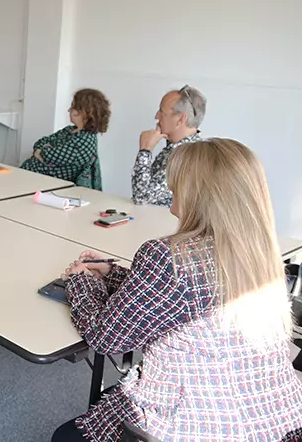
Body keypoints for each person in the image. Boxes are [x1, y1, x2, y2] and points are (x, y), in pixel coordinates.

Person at [52, 139, 302, 442]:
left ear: (199, 193)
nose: (171, 185)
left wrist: (82, 281)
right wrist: (113, 273)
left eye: (177, 181)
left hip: (198, 424)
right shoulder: (260, 253)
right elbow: (187, 297)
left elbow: (106, 337)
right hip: (277, 422)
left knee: (65, 436)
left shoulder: (170, 256)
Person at [131, 85, 206, 207]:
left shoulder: (185, 157)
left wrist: (145, 151)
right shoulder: (179, 147)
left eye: (162, 112)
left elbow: (141, 198)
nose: (156, 116)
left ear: (180, 119)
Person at [20, 89, 110, 190]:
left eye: (73, 107)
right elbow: (40, 142)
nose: (69, 110)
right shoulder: (69, 130)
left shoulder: (85, 141)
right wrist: (41, 150)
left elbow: (48, 155)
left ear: (85, 113)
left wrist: (41, 151)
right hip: (31, 180)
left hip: (48, 188)